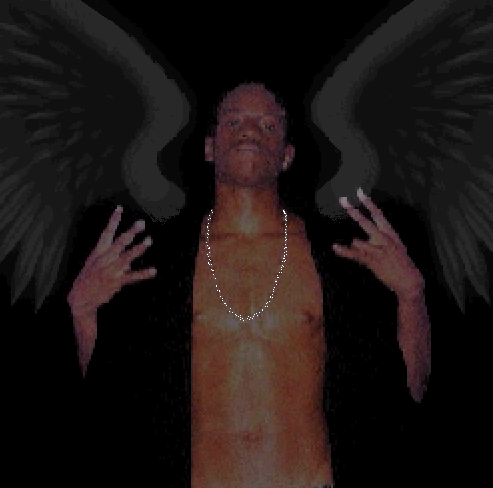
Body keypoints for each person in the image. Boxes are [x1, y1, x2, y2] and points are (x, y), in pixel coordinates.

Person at [63, 82, 431, 487]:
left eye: (268, 125)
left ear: (287, 156)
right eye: (234, 121)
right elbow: (112, 402)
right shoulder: (162, 265)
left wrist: (411, 295)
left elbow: (408, 392)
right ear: (210, 148)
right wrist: (83, 312)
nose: (250, 131)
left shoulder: (338, 261)